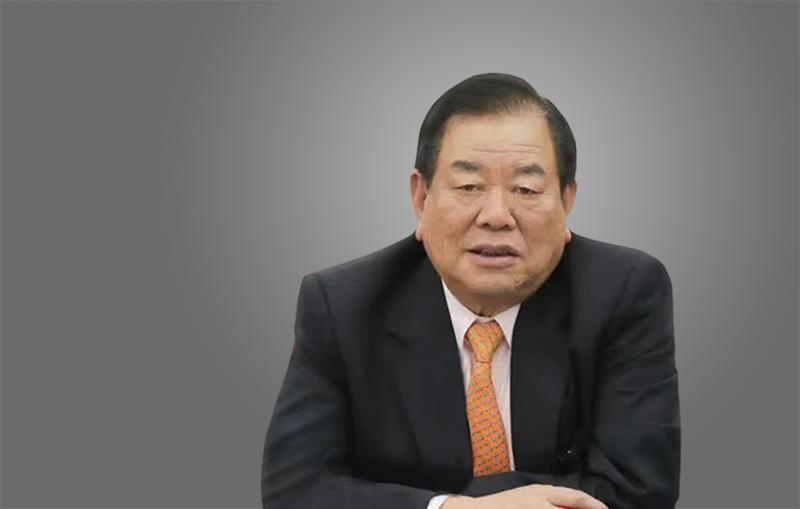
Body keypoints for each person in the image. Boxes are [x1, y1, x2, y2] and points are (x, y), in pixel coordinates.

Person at [260, 73, 680, 509]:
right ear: (421, 198)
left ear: (566, 201)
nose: (496, 216)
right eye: (468, 187)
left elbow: (638, 491)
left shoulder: (624, 292)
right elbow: (294, 490)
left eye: (526, 189)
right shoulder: (343, 305)